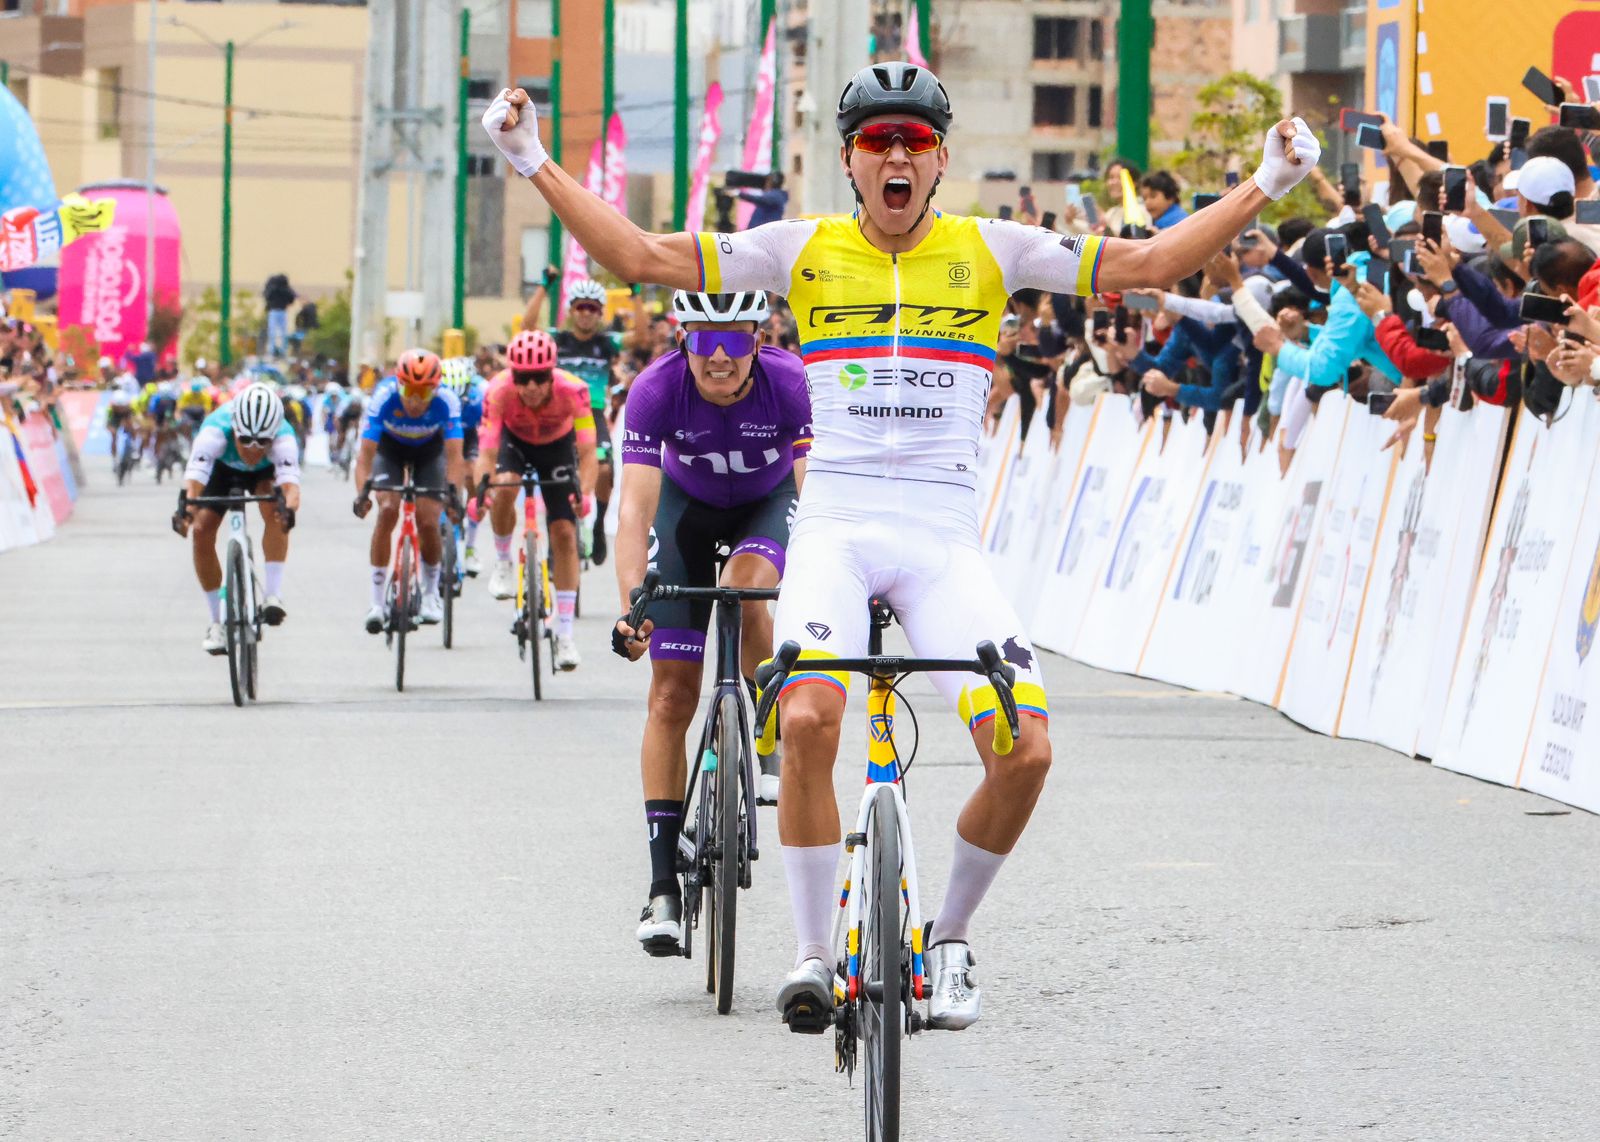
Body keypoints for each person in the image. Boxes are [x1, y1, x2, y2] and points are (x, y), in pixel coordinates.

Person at [482, 59, 1318, 1031]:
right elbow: (641, 257)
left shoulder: (993, 248)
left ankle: (951, 935)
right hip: (831, 530)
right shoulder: (797, 249)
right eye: (876, 140)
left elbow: (1145, 266)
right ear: (849, 159)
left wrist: (1268, 183)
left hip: (940, 541)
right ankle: (810, 953)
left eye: (912, 142)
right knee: (803, 723)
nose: (894, 155)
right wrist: (531, 159)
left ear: (939, 161)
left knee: (1026, 749)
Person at [611, 289, 813, 954]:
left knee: (746, 588)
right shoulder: (655, 391)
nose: (719, 356)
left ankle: (764, 735)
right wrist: (630, 608)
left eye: (735, 339)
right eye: (704, 340)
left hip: (766, 506)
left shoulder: (789, 383)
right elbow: (636, 515)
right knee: (671, 694)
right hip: (686, 515)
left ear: (761, 338)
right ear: (682, 341)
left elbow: (816, 493)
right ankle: (663, 886)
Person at [481, 329, 598, 671]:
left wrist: (586, 494)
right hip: (514, 444)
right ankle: (503, 562)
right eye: (523, 377)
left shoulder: (574, 391)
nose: (531, 386)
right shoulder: (498, 391)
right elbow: (487, 452)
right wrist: (481, 490)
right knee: (504, 485)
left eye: (539, 377)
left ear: (552, 374)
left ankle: (564, 634)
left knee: (564, 533)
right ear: (512, 375)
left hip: (557, 449)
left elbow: (589, 452)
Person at [173, 383, 301, 653]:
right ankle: (216, 622)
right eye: (245, 440)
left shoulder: (284, 437)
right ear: (235, 430)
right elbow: (194, 483)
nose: (254, 449)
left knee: (275, 510)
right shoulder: (214, 431)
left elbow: (291, 490)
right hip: (222, 470)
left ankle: (272, 595)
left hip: (263, 476)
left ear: (273, 435)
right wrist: (185, 513)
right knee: (202, 529)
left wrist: (288, 511)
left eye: (262, 442)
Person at [352, 349, 465, 631]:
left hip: (430, 451)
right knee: (388, 510)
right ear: (398, 384)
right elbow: (365, 457)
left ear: (436, 389)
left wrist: (455, 496)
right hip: (391, 450)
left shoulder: (447, 401)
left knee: (428, 520)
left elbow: (454, 458)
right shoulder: (383, 398)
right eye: (409, 391)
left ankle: (430, 594)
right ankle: (376, 601)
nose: (415, 401)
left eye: (424, 393)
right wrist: (362, 494)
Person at [524, 275, 620, 564]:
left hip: (591, 414)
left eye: (593, 308)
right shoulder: (556, 340)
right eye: (581, 307)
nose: (586, 313)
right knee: (558, 474)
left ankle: (599, 525)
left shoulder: (607, 344)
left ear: (600, 312)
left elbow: (641, 337)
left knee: (603, 470)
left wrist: (636, 295)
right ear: (571, 310)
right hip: (560, 412)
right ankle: (557, 536)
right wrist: (544, 287)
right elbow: (527, 329)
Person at [441, 355, 488, 575]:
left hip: (470, 436)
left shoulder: (479, 398)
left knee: (472, 478)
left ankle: (470, 546)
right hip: (442, 437)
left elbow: (488, 435)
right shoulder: (436, 399)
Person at [262, 273, 297, 357]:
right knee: (281, 331)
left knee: (274, 331)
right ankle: (279, 349)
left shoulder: (273, 288)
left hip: (275, 311)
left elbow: (266, 296)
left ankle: (275, 349)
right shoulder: (284, 289)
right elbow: (292, 297)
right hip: (280, 311)